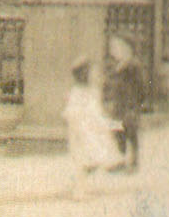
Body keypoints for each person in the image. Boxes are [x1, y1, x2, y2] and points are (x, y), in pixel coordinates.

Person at [63, 57, 124, 187]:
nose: (89, 74)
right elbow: (74, 113)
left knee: (95, 155)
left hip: (93, 129)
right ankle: (80, 183)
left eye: (88, 71)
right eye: (85, 71)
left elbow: (97, 112)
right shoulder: (77, 92)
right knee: (88, 157)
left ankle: (83, 180)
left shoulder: (91, 91)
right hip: (84, 130)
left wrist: (107, 123)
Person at [103, 34, 149, 173]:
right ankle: (121, 160)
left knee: (131, 133)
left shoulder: (134, 66)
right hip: (118, 106)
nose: (114, 50)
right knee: (118, 133)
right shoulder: (115, 66)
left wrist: (136, 104)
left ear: (127, 48)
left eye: (117, 47)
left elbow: (142, 87)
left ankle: (134, 163)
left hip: (129, 106)